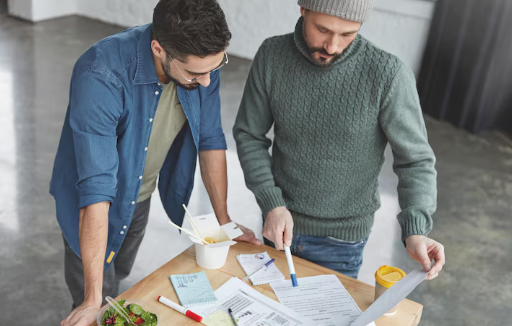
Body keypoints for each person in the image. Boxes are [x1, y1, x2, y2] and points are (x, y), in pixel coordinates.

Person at [50, 1, 260, 325]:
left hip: (139, 196)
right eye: (194, 72)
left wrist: (224, 222)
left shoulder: (201, 66)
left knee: (117, 277)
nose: (206, 82)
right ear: (159, 49)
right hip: (92, 205)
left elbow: (210, 139)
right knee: (94, 300)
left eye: (214, 69)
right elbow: (96, 188)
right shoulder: (100, 74)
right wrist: (91, 301)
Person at [233, 0, 445, 281]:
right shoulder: (272, 56)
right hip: (277, 224)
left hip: (341, 244)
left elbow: (415, 160)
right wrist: (271, 203)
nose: (332, 46)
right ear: (303, 10)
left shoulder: (387, 75)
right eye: (322, 29)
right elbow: (249, 134)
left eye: (347, 34)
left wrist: (416, 228)